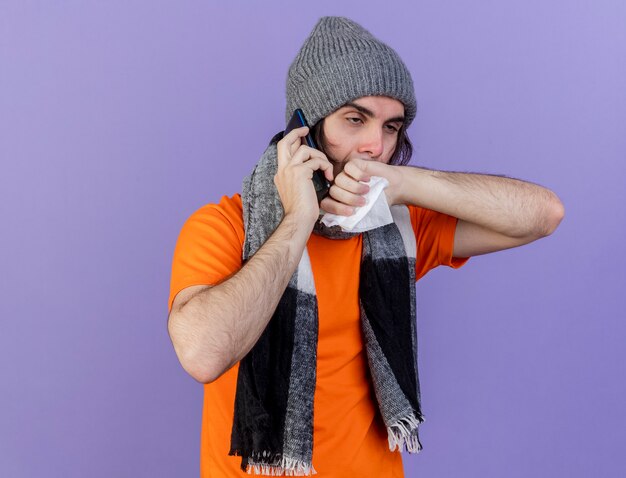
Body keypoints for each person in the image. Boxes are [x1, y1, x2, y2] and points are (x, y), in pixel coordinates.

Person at [167, 16, 564, 478]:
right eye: (355, 120)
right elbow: (202, 354)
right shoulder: (223, 227)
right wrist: (299, 217)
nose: (375, 145)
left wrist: (403, 182)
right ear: (304, 130)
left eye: (392, 128)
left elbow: (543, 214)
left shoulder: (394, 230)